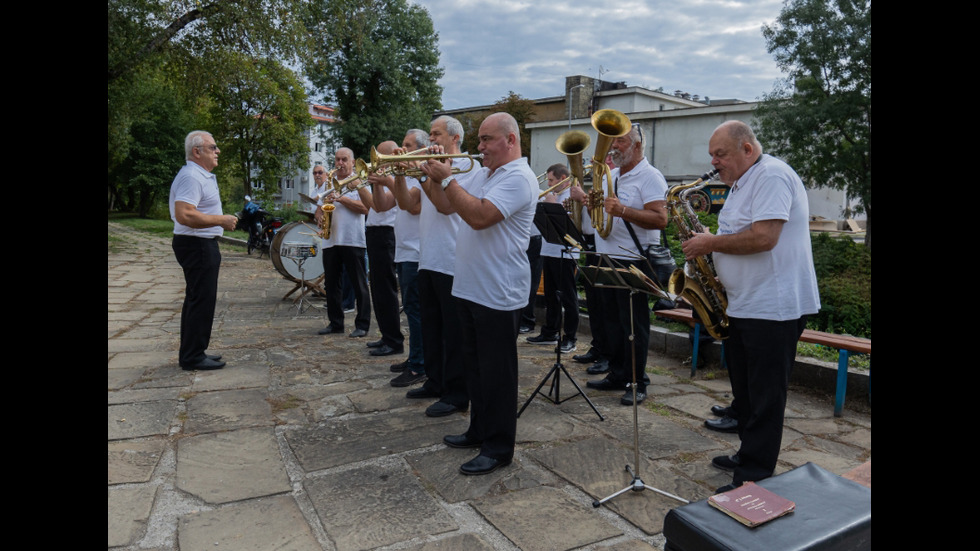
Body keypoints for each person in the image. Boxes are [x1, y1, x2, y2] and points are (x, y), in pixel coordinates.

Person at [682, 120, 820, 492]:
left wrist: (710, 244)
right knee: (745, 392)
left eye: (720, 154)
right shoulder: (742, 183)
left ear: (747, 149)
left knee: (765, 397)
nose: (714, 162)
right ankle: (748, 454)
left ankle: (755, 476)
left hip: (774, 307)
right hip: (745, 304)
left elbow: (764, 237)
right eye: (712, 154)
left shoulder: (772, 175)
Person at [422, 112, 537, 476]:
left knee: (497, 374)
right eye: (481, 139)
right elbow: (448, 207)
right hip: (472, 286)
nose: (481, 146)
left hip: (498, 291)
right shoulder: (488, 173)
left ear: (511, 140)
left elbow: (480, 216)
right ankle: (479, 430)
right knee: (475, 368)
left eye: (487, 139)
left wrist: (447, 179)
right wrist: (437, 178)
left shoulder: (518, 177)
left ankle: (499, 447)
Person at [572, 125, 668, 406]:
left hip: (634, 260)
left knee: (633, 325)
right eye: (613, 141)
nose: (614, 146)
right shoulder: (612, 175)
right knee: (611, 322)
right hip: (607, 256)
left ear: (638, 145)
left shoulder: (650, 177)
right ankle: (617, 373)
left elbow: (661, 219)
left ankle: (638, 382)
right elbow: (600, 215)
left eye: (621, 142)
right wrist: (588, 202)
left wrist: (623, 210)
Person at [403, 116, 471, 418]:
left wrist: (424, 176)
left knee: (453, 334)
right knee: (432, 327)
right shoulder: (433, 169)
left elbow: (445, 206)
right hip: (428, 258)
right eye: (430, 134)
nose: (431, 140)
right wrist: (403, 175)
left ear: (454, 138)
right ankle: (435, 380)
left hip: (452, 260)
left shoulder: (467, 167)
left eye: (436, 134)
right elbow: (408, 204)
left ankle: (456, 393)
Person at [169, 130, 238, 371]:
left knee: (197, 298)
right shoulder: (191, 176)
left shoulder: (197, 174)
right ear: (196, 152)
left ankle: (193, 351)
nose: (218, 151)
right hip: (197, 244)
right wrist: (221, 220)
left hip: (198, 243)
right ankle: (193, 357)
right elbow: (184, 214)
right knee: (201, 300)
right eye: (212, 147)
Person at [371, 130, 429, 387]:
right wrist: (375, 181)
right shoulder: (405, 177)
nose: (400, 151)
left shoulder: (418, 176)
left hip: (417, 250)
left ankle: (419, 364)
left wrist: (389, 180)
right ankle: (415, 357)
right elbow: (382, 206)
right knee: (412, 309)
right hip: (405, 250)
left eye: (406, 145)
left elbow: (413, 207)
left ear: (420, 149)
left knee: (416, 311)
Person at [316, 147, 371, 338]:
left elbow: (366, 208)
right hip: (330, 240)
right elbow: (319, 209)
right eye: (337, 159)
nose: (340, 163)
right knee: (332, 284)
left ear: (353, 162)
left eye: (344, 159)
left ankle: (362, 324)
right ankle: (335, 323)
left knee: (359, 284)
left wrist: (342, 199)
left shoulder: (359, 181)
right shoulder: (328, 182)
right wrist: (320, 217)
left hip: (352, 239)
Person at [358, 141, 405, 357]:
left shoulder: (396, 178)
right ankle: (387, 335)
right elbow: (372, 206)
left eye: (381, 156)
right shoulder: (383, 178)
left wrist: (378, 181)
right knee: (376, 287)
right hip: (375, 231)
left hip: (387, 232)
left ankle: (394, 340)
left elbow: (380, 205)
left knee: (385, 288)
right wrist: (362, 186)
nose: (377, 161)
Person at [526, 163, 579, 354]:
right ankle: (550, 332)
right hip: (548, 250)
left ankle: (570, 337)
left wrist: (550, 205)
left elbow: (571, 226)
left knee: (568, 296)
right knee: (550, 295)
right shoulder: (554, 196)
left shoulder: (571, 197)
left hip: (566, 253)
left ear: (563, 178)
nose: (548, 184)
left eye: (551, 180)